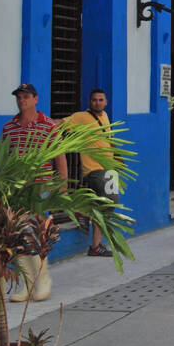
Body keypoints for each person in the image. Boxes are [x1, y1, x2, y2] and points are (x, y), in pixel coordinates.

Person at [2, 83, 66, 302]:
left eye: (26, 96)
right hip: (16, 188)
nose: (22, 101)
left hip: (41, 186)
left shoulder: (48, 125)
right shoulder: (9, 127)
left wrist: (63, 185)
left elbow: (59, 156)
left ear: (36, 99)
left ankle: (43, 280)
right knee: (18, 233)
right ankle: (26, 284)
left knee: (37, 232)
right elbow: (3, 158)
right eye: (19, 97)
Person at [61, 88, 118, 257]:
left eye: (101, 100)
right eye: (94, 100)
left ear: (106, 102)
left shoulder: (105, 116)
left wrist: (117, 160)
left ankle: (86, 216)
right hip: (93, 168)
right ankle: (87, 218)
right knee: (110, 200)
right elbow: (60, 123)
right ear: (89, 101)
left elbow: (108, 141)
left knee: (109, 203)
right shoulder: (81, 117)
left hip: (108, 167)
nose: (97, 102)